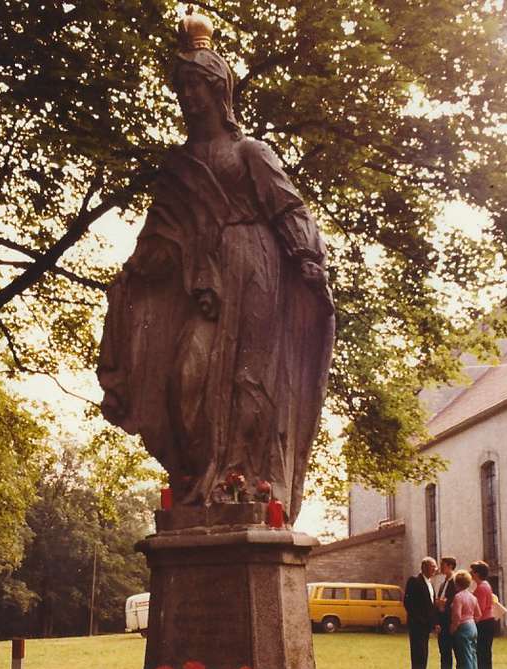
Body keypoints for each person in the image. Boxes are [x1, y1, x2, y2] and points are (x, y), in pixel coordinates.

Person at [97, 11, 335, 523]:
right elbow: (159, 235)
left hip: (255, 268)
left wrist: (308, 258)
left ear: (217, 91)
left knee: (249, 378)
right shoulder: (176, 166)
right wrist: (138, 270)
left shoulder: (251, 151)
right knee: (187, 372)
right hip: (198, 279)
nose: (186, 97)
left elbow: (289, 209)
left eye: (194, 86)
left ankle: (243, 483)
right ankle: (198, 477)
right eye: (180, 87)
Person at [403, 557, 438, 669]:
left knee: (424, 653)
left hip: (426, 625)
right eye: (433, 566)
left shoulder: (430, 584)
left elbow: (430, 605)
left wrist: (434, 622)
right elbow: (408, 603)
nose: (435, 569)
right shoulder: (414, 581)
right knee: (417, 653)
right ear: (424, 567)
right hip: (417, 624)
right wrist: (419, 619)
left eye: (435, 567)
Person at [451, 569, 481, 669]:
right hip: (472, 626)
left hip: (463, 627)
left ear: (457, 583)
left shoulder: (458, 597)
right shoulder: (473, 597)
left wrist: (453, 627)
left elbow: (457, 615)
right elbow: (478, 614)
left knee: (464, 657)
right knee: (473, 655)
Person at [470, 560, 496, 669]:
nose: (470, 573)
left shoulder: (481, 588)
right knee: (485, 651)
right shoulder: (486, 585)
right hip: (489, 621)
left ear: (477, 573)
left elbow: (479, 609)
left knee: (482, 651)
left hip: (484, 622)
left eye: (472, 571)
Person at [435, 556, 457, 669]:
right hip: (442, 621)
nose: (440, 567)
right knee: (444, 652)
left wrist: (445, 605)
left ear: (449, 566)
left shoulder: (455, 582)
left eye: (442, 565)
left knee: (451, 651)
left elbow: (455, 601)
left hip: (450, 621)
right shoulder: (443, 583)